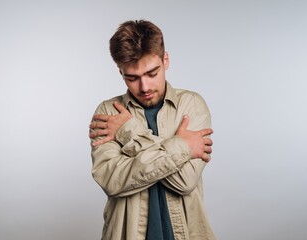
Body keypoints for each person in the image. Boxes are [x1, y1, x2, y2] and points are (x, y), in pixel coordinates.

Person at [89, 19, 216, 240]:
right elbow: (112, 181)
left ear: (165, 60)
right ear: (120, 71)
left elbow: (185, 181)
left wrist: (128, 131)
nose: (145, 87)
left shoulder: (192, 105)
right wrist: (182, 147)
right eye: (133, 78)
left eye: (152, 73)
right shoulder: (108, 112)